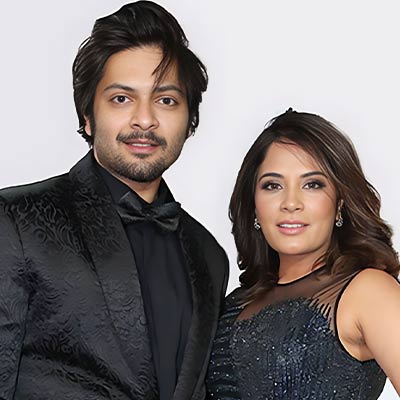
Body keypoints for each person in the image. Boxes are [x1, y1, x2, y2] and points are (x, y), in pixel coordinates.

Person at [0, 2, 229, 399]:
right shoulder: (15, 221)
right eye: (122, 99)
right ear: (87, 116)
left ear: (190, 121)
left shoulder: (209, 255)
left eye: (166, 100)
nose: (145, 119)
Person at [206, 109, 400, 399]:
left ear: (339, 204)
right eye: (273, 185)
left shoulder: (367, 291)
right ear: (254, 205)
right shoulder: (234, 303)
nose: (291, 202)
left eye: (312, 184)